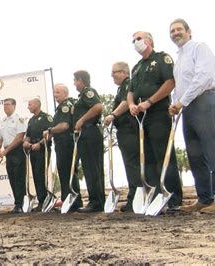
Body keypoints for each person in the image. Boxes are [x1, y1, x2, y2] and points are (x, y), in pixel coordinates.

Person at [168, 18, 215, 213]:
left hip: (204, 101)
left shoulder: (199, 48)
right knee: (195, 154)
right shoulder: (178, 59)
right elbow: (181, 85)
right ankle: (205, 198)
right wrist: (175, 103)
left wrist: (182, 101)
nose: (175, 33)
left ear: (189, 31)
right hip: (187, 107)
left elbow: (202, 78)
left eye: (179, 29)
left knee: (212, 149)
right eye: (172, 31)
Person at [127, 31, 183, 210]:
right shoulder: (136, 67)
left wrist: (150, 102)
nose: (135, 42)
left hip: (158, 113)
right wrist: (131, 105)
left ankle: (173, 197)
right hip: (141, 118)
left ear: (149, 40)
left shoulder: (161, 59)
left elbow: (170, 82)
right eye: (133, 40)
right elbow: (130, 92)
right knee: (147, 158)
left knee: (164, 155)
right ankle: (155, 195)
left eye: (138, 39)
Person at [103, 62, 141, 212]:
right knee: (130, 164)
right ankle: (134, 197)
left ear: (124, 72)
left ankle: (136, 198)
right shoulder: (122, 87)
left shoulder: (128, 84)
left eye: (115, 72)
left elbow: (126, 102)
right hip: (123, 129)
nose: (112, 76)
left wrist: (113, 115)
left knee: (133, 164)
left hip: (129, 128)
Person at [43, 84, 83, 211]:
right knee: (65, 172)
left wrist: (50, 130)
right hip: (61, 143)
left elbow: (64, 125)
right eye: (54, 93)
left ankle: (73, 201)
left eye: (58, 92)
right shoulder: (61, 107)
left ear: (65, 93)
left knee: (67, 172)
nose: (55, 95)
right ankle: (69, 200)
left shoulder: (66, 106)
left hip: (66, 142)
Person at [72, 70, 105, 213]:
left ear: (81, 80)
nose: (74, 83)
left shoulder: (88, 92)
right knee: (88, 169)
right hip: (84, 134)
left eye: (75, 80)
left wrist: (82, 119)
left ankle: (97, 202)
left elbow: (98, 107)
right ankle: (94, 200)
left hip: (90, 131)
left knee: (93, 168)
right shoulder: (81, 96)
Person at [0, 98, 27, 214]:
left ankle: (21, 204)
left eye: (8, 104)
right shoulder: (3, 121)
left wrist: (6, 151)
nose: (5, 107)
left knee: (19, 178)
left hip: (17, 150)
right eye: (4, 105)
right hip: (8, 152)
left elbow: (19, 137)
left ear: (14, 106)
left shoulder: (19, 120)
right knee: (12, 178)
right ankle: (17, 203)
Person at [23, 98, 53, 212]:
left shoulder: (46, 117)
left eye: (30, 104)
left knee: (41, 174)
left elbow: (50, 134)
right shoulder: (31, 120)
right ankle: (41, 201)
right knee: (36, 175)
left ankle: (46, 200)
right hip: (32, 150)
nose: (28, 106)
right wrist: (26, 142)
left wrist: (40, 143)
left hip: (43, 149)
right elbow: (28, 135)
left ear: (36, 104)